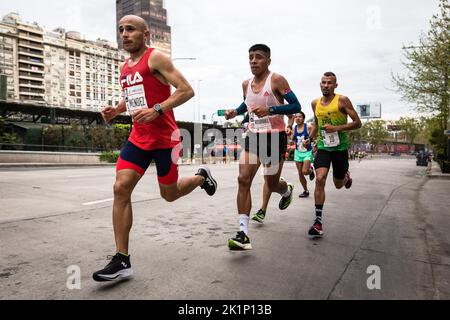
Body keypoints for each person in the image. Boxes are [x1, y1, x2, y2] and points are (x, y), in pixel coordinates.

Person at [92, 15, 217, 282]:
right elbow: (134, 98)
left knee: (169, 195)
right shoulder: (125, 67)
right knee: (120, 187)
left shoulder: (156, 58)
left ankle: (201, 176)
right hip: (139, 138)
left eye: (131, 30)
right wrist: (117, 110)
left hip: (166, 139)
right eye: (121, 30)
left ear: (145, 34)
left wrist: (158, 109)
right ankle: (122, 260)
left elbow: (186, 90)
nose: (125, 34)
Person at [225, 44, 301, 250]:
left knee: (272, 183)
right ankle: (243, 233)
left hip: (275, 138)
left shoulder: (276, 80)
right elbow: (247, 105)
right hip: (253, 136)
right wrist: (236, 112)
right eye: (250, 57)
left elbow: (296, 106)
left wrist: (271, 109)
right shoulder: (245, 84)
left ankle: (286, 191)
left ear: (268, 60)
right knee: (243, 179)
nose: (253, 61)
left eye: (258, 57)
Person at [307, 72, 362, 238]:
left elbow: (357, 123)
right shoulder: (315, 103)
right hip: (324, 147)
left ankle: (345, 176)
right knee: (320, 178)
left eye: (329, 83)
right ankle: (318, 221)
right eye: (323, 82)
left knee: (338, 184)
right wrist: (309, 139)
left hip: (340, 149)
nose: (326, 85)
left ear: (335, 85)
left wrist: (336, 128)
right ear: (320, 84)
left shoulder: (342, 100)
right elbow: (316, 124)